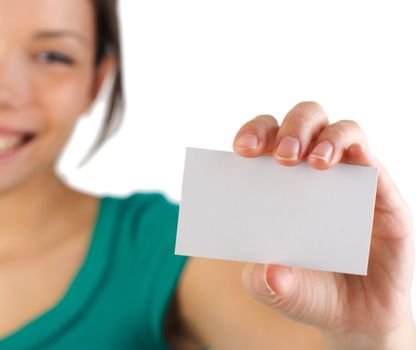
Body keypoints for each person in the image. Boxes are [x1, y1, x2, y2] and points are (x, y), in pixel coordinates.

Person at [0, 0, 414, 349]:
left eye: (52, 56)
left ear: (95, 82)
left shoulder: (154, 247)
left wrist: (367, 334)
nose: (5, 91)